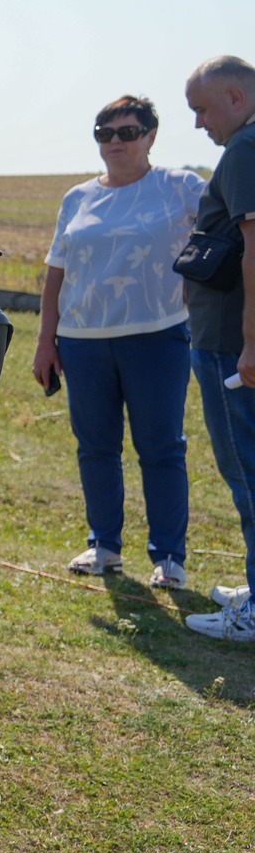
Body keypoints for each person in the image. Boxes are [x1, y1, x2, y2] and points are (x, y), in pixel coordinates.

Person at [33, 97, 204, 587]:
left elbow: (226, 234)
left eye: (127, 132)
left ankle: (169, 559)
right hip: (83, 341)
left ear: (151, 135)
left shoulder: (180, 186)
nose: (114, 142)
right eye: (104, 133)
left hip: (158, 336)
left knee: (162, 448)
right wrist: (46, 340)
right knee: (95, 447)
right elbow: (56, 272)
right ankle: (103, 545)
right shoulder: (78, 198)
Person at [181, 55, 255, 640]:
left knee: (247, 475)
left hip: (231, 346)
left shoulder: (246, 149)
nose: (200, 124)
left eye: (202, 109)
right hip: (233, 341)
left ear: (236, 96)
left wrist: (251, 343)